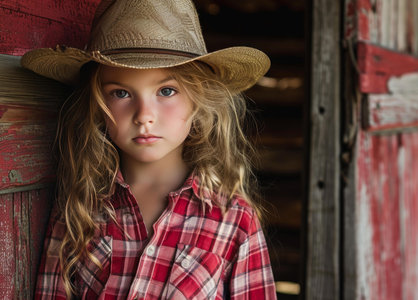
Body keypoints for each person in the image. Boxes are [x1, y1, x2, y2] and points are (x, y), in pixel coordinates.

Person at [22, 0, 276, 299]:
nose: (144, 115)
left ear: (198, 101)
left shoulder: (233, 218)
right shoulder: (79, 211)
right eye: (121, 93)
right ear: (97, 108)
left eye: (166, 91)